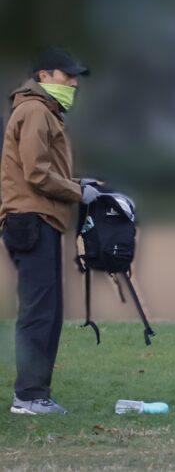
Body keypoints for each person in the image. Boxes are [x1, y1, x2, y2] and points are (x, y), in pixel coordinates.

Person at [0, 48, 101, 415]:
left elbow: (44, 169)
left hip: (39, 218)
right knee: (39, 312)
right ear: (44, 75)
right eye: (67, 75)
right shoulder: (34, 111)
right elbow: (36, 173)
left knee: (49, 310)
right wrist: (77, 192)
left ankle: (35, 393)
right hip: (31, 220)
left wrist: (77, 182)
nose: (74, 82)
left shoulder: (44, 112)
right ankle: (28, 397)